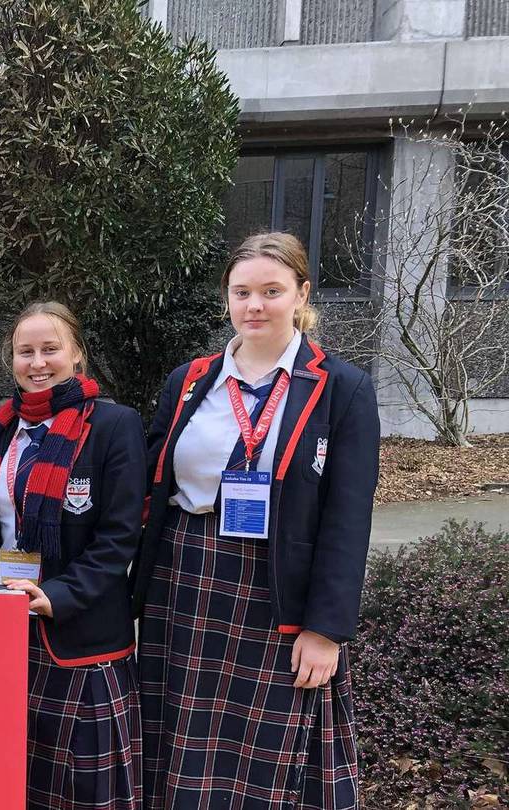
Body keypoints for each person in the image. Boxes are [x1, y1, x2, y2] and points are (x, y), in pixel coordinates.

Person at [134, 232, 379, 809]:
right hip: (185, 579)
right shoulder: (191, 381)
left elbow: (348, 519)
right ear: (226, 298)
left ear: (301, 294)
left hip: (274, 588)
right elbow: (152, 482)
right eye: (242, 291)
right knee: (180, 742)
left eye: (272, 290)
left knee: (264, 752)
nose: (255, 305)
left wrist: (326, 630)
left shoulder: (340, 388)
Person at [0, 302, 145, 809]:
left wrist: (55, 596)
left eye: (51, 349)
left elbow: (118, 538)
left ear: (78, 356)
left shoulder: (115, 425)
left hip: (81, 637)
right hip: (5, 632)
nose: (37, 362)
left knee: (86, 793)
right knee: (16, 785)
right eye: (26, 351)